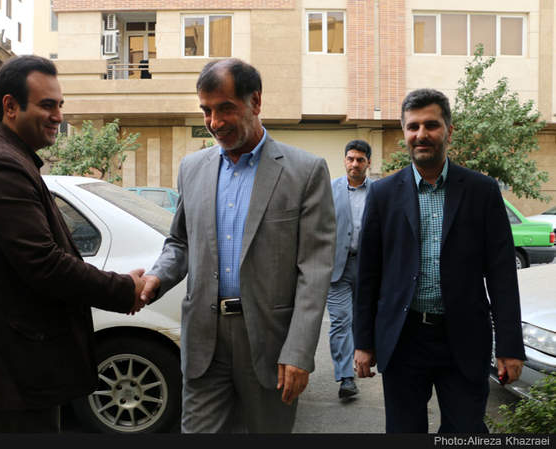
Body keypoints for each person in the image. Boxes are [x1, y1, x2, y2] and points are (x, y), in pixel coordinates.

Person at [0, 55, 146, 433]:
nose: (58, 116)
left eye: (60, 105)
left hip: (19, 361)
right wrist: (123, 289)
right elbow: (44, 264)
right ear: (10, 107)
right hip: (10, 363)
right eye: (47, 105)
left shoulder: (11, 159)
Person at [139, 58, 336, 433]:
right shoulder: (192, 168)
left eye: (225, 108)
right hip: (204, 340)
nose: (214, 122)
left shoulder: (305, 171)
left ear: (255, 101)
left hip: (269, 343)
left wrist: (299, 350)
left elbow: (314, 269)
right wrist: (157, 277)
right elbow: (180, 241)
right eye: (206, 110)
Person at [354, 88, 526, 433]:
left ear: (448, 130)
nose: (421, 134)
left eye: (431, 125)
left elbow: (502, 274)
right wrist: (363, 342)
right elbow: (368, 273)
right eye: (413, 126)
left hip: (463, 337)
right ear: (404, 132)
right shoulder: (383, 193)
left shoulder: (482, 191)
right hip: (403, 338)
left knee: (465, 431)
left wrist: (510, 346)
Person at [327, 139, 373, 400]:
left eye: (360, 160)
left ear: (368, 163)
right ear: (345, 160)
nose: (355, 164)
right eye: (350, 159)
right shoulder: (329, 189)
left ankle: (364, 359)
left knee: (362, 319)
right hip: (337, 268)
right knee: (340, 320)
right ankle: (345, 377)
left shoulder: (379, 191)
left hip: (368, 268)